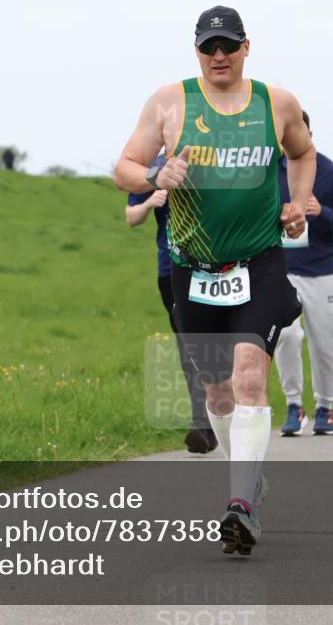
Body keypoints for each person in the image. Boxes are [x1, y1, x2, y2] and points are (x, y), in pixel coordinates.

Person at [114, 5, 314, 555]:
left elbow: (303, 151)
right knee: (216, 390)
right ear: (196, 50)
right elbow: (123, 168)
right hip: (193, 268)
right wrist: (156, 173)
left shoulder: (278, 103)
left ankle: (240, 504)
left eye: (228, 45)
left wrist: (297, 202)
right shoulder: (169, 102)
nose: (218, 56)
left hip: (260, 261)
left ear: (247, 46)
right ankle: (246, 478)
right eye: (208, 47)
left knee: (250, 374)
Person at [126, 155, 216, 454]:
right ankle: (201, 423)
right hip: (172, 270)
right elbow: (131, 217)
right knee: (189, 344)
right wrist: (151, 201)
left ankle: (223, 415)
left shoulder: (213, 159)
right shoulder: (155, 167)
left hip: (218, 266)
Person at [275, 110, 333, 437]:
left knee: (325, 343)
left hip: (322, 271)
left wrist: (322, 212)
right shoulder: (271, 172)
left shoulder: (330, 172)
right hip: (282, 270)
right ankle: (294, 405)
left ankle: (326, 407)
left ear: (307, 134)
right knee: (286, 336)